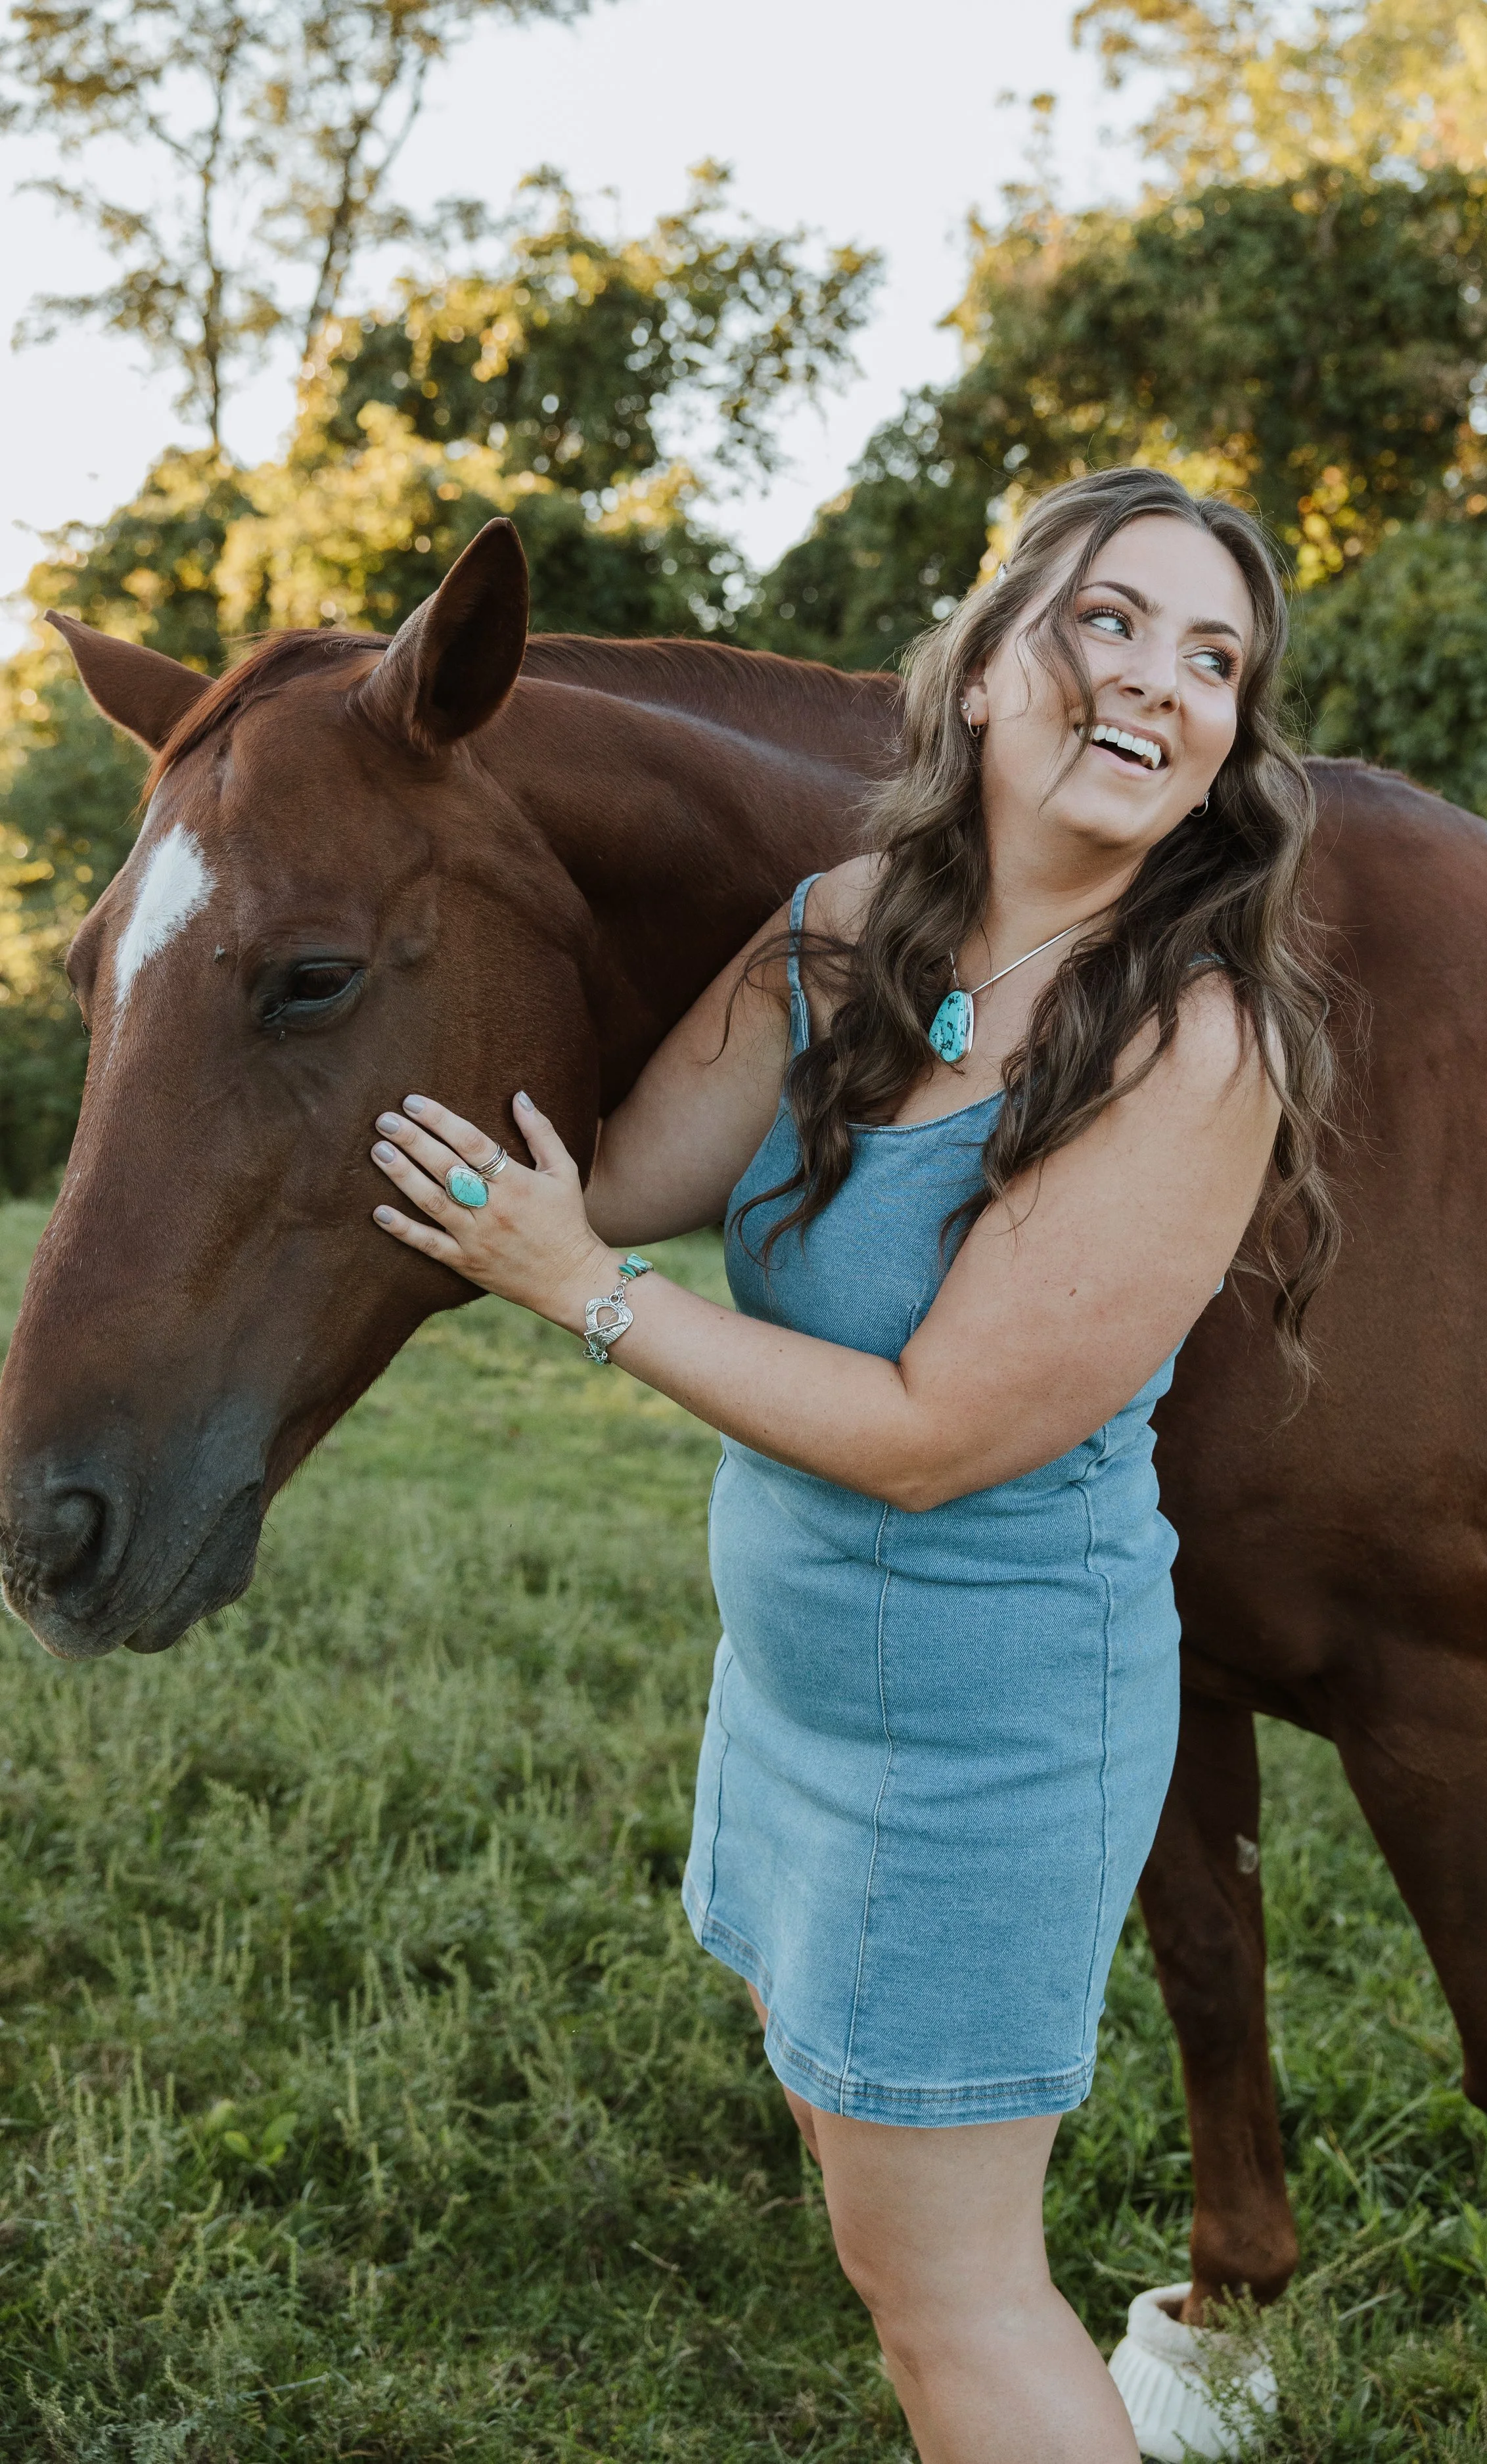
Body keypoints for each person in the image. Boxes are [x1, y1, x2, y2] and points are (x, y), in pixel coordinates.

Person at [365, 466, 1337, 2464]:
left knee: (953, 2294)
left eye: (1214, 657)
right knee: (882, 2213)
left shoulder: (1191, 1046)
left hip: (982, 1747)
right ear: (984, 669)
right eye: (1108, 619)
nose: (1161, 679)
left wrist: (596, 1298)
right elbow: (623, 1179)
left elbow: (927, 1441)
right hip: (799, 1704)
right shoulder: (835, 932)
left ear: (1232, 741)